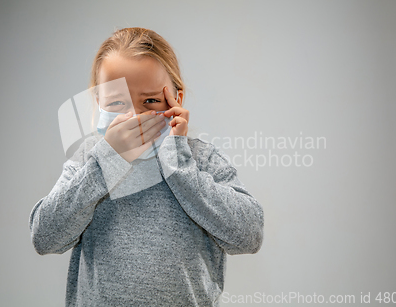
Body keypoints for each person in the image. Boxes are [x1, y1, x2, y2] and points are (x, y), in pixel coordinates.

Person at [29, 27, 264, 307]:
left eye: (150, 101)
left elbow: (249, 236)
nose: (134, 116)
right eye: (117, 102)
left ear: (177, 99)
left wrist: (179, 166)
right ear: (98, 103)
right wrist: (105, 162)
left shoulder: (200, 158)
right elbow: (45, 238)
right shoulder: (90, 159)